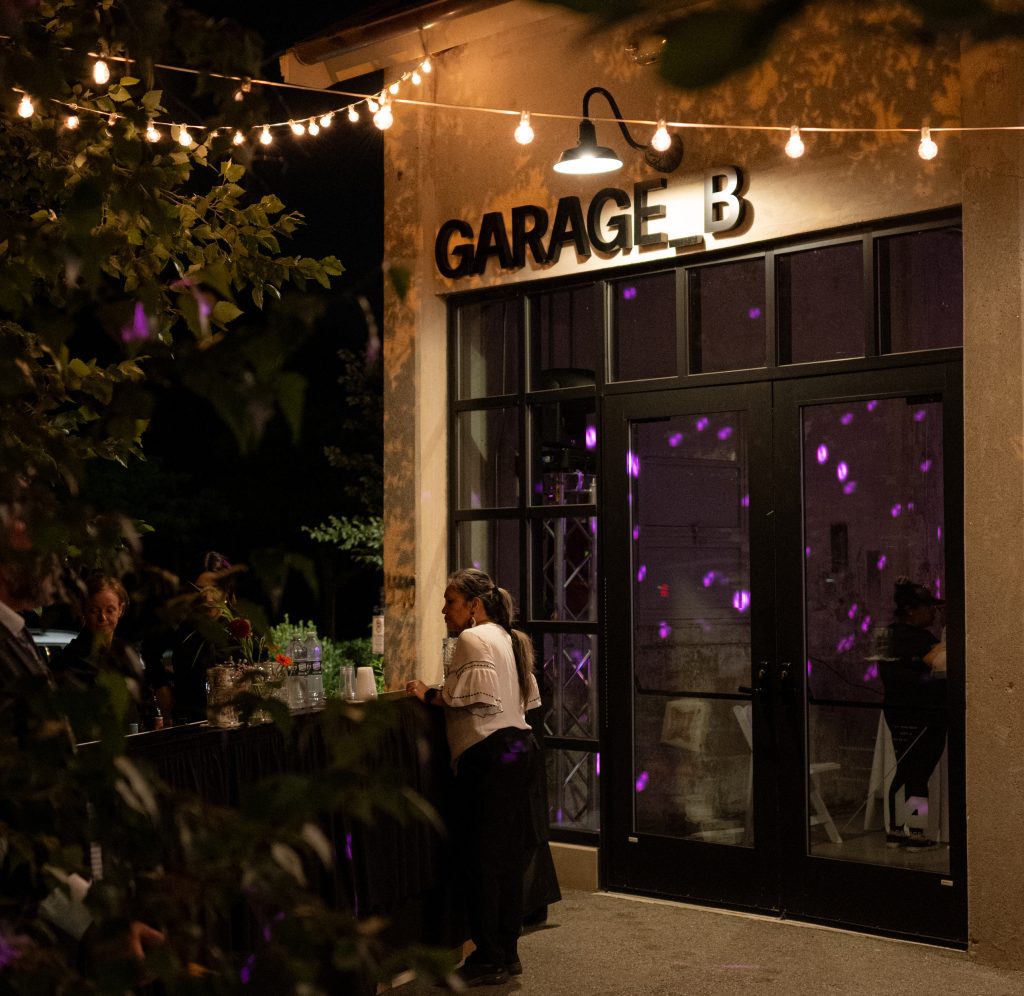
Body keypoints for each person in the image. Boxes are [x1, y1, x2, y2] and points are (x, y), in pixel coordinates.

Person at [406, 568, 541, 988]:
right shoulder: (507, 636)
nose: (445, 610)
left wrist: (424, 692)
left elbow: (457, 696)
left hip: (490, 754)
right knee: (506, 859)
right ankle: (508, 952)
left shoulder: (471, 638)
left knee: (482, 861)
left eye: (451, 601)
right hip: (522, 749)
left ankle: (488, 959)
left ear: (474, 605)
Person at [877, 577, 947, 849]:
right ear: (910, 610)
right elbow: (943, 666)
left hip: (896, 711)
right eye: (928, 607)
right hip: (924, 713)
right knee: (919, 771)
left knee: (905, 768)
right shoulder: (921, 639)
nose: (933, 612)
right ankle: (917, 833)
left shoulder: (886, 635)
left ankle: (896, 830)